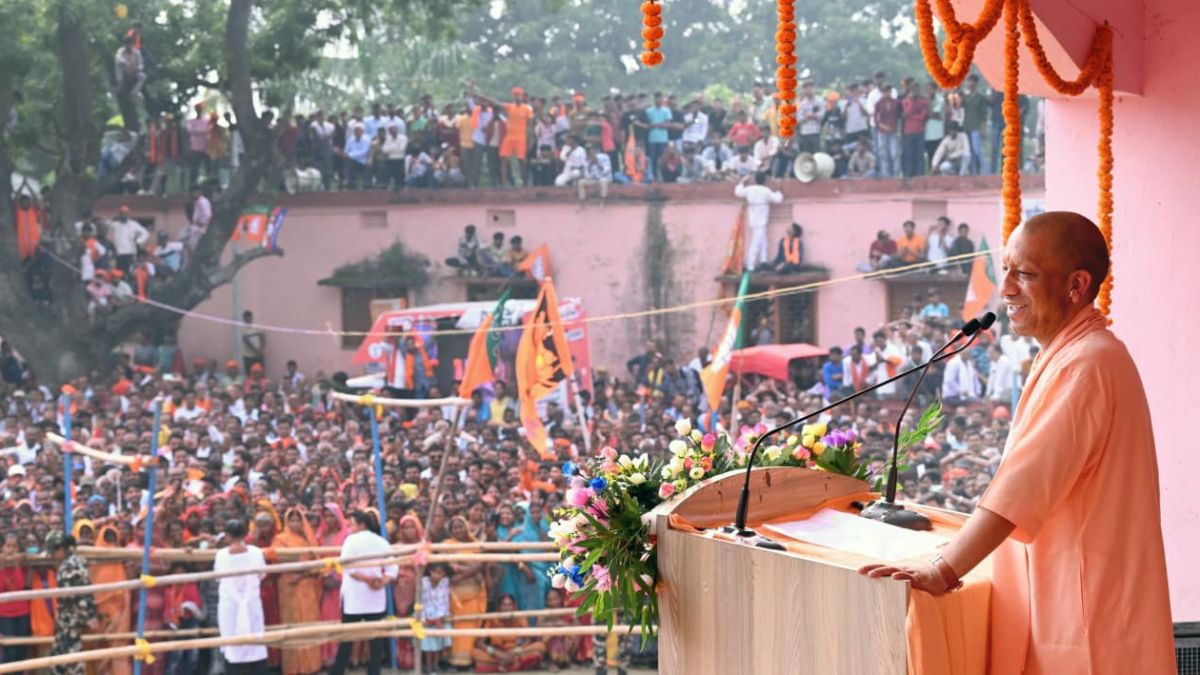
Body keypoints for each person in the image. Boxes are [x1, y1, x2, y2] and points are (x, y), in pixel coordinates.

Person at [861, 212, 1175, 674]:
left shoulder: (1088, 363)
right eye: (1006, 269)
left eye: (1024, 274)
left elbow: (1021, 489)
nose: (1005, 288)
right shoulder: (1076, 353)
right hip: (1080, 598)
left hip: (1086, 615)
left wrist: (942, 571)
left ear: (1076, 285)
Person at [330, 510, 398, 675]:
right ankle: (374, 672)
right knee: (375, 640)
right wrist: (380, 582)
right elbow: (393, 568)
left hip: (354, 597)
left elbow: (347, 567)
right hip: (374, 595)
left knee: (347, 639)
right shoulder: (381, 542)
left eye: (352, 525)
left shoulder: (351, 540)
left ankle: (338, 672)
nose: (350, 528)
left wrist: (370, 580)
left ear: (361, 524)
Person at [214, 518, 269, 675]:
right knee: (256, 642)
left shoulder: (221, 555)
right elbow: (262, 575)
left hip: (230, 606)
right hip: (251, 603)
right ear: (245, 534)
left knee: (232, 644)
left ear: (227, 536)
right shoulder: (256, 552)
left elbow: (218, 577)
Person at [275, 508, 323, 675]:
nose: (295, 524)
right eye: (292, 520)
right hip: (288, 587)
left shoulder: (309, 539)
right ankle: (293, 667)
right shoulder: (280, 539)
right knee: (292, 623)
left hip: (307, 586)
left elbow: (317, 563)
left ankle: (311, 665)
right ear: (286, 522)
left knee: (309, 622)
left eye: (298, 520)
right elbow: (277, 560)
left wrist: (304, 572)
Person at [45, 531, 97, 675]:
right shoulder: (79, 561)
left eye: (53, 551)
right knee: (60, 657)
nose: (52, 556)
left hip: (71, 620)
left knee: (70, 660)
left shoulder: (67, 567)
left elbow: (78, 596)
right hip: (70, 620)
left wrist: (88, 616)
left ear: (61, 549)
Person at [444, 515, 487, 669]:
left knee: (471, 626)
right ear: (450, 531)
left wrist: (462, 572)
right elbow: (448, 566)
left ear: (466, 527)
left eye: (460, 526)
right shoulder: (446, 545)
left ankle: (467, 660)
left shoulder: (475, 544)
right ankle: (456, 660)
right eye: (454, 527)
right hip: (456, 595)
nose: (458, 530)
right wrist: (469, 569)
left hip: (474, 591)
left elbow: (480, 564)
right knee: (458, 626)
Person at [470, 593, 546, 671]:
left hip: (516, 652)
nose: (507, 608)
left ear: (513, 606)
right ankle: (511, 664)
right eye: (504, 605)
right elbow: (479, 642)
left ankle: (502, 665)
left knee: (539, 646)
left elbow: (528, 640)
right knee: (474, 652)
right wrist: (496, 653)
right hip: (496, 654)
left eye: (509, 605)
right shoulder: (492, 619)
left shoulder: (520, 618)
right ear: (499, 607)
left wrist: (515, 652)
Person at [735, 172, 783, 272]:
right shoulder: (765, 191)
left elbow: (738, 192)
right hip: (761, 220)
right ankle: (750, 266)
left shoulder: (749, 189)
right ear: (765, 181)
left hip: (753, 219)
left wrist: (742, 182)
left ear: (755, 180)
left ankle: (763, 261)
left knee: (763, 241)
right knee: (756, 243)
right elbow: (778, 199)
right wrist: (779, 189)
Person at [419, 563, 451, 674]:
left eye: (440, 573)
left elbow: (444, 602)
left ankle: (435, 665)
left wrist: (439, 619)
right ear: (430, 571)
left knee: (439, 643)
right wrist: (427, 619)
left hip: (440, 617)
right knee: (428, 644)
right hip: (426, 617)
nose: (437, 575)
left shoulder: (445, 582)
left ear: (444, 574)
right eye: (435, 572)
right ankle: (428, 666)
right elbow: (421, 602)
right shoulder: (423, 582)